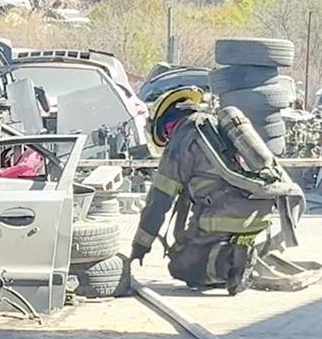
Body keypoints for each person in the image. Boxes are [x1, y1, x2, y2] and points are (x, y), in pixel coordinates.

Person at [129, 87, 304, 294]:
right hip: (260, 212)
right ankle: (236, 257)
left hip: (222, 215)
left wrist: (141, 245)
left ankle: (226, 267)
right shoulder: (215, 126)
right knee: (198, 240)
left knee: (181, 266)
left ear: (164, 124)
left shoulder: (183, 138)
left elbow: (159, 201)